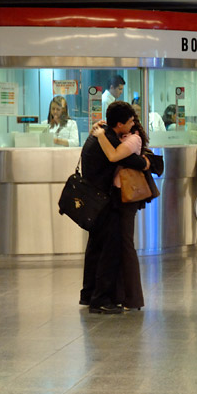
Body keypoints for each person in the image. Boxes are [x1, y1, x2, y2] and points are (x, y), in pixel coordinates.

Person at [79, 101, 149, 314]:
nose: (132, 125)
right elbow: (127, 160)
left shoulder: (100, 133)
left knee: (95, 249)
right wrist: (146, 163)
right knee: (108, 251)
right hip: (103, 202)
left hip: (93, 199)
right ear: (119, 124)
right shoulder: (107, 138)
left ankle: (89, 294)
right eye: (129, 122)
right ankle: (100, 299)